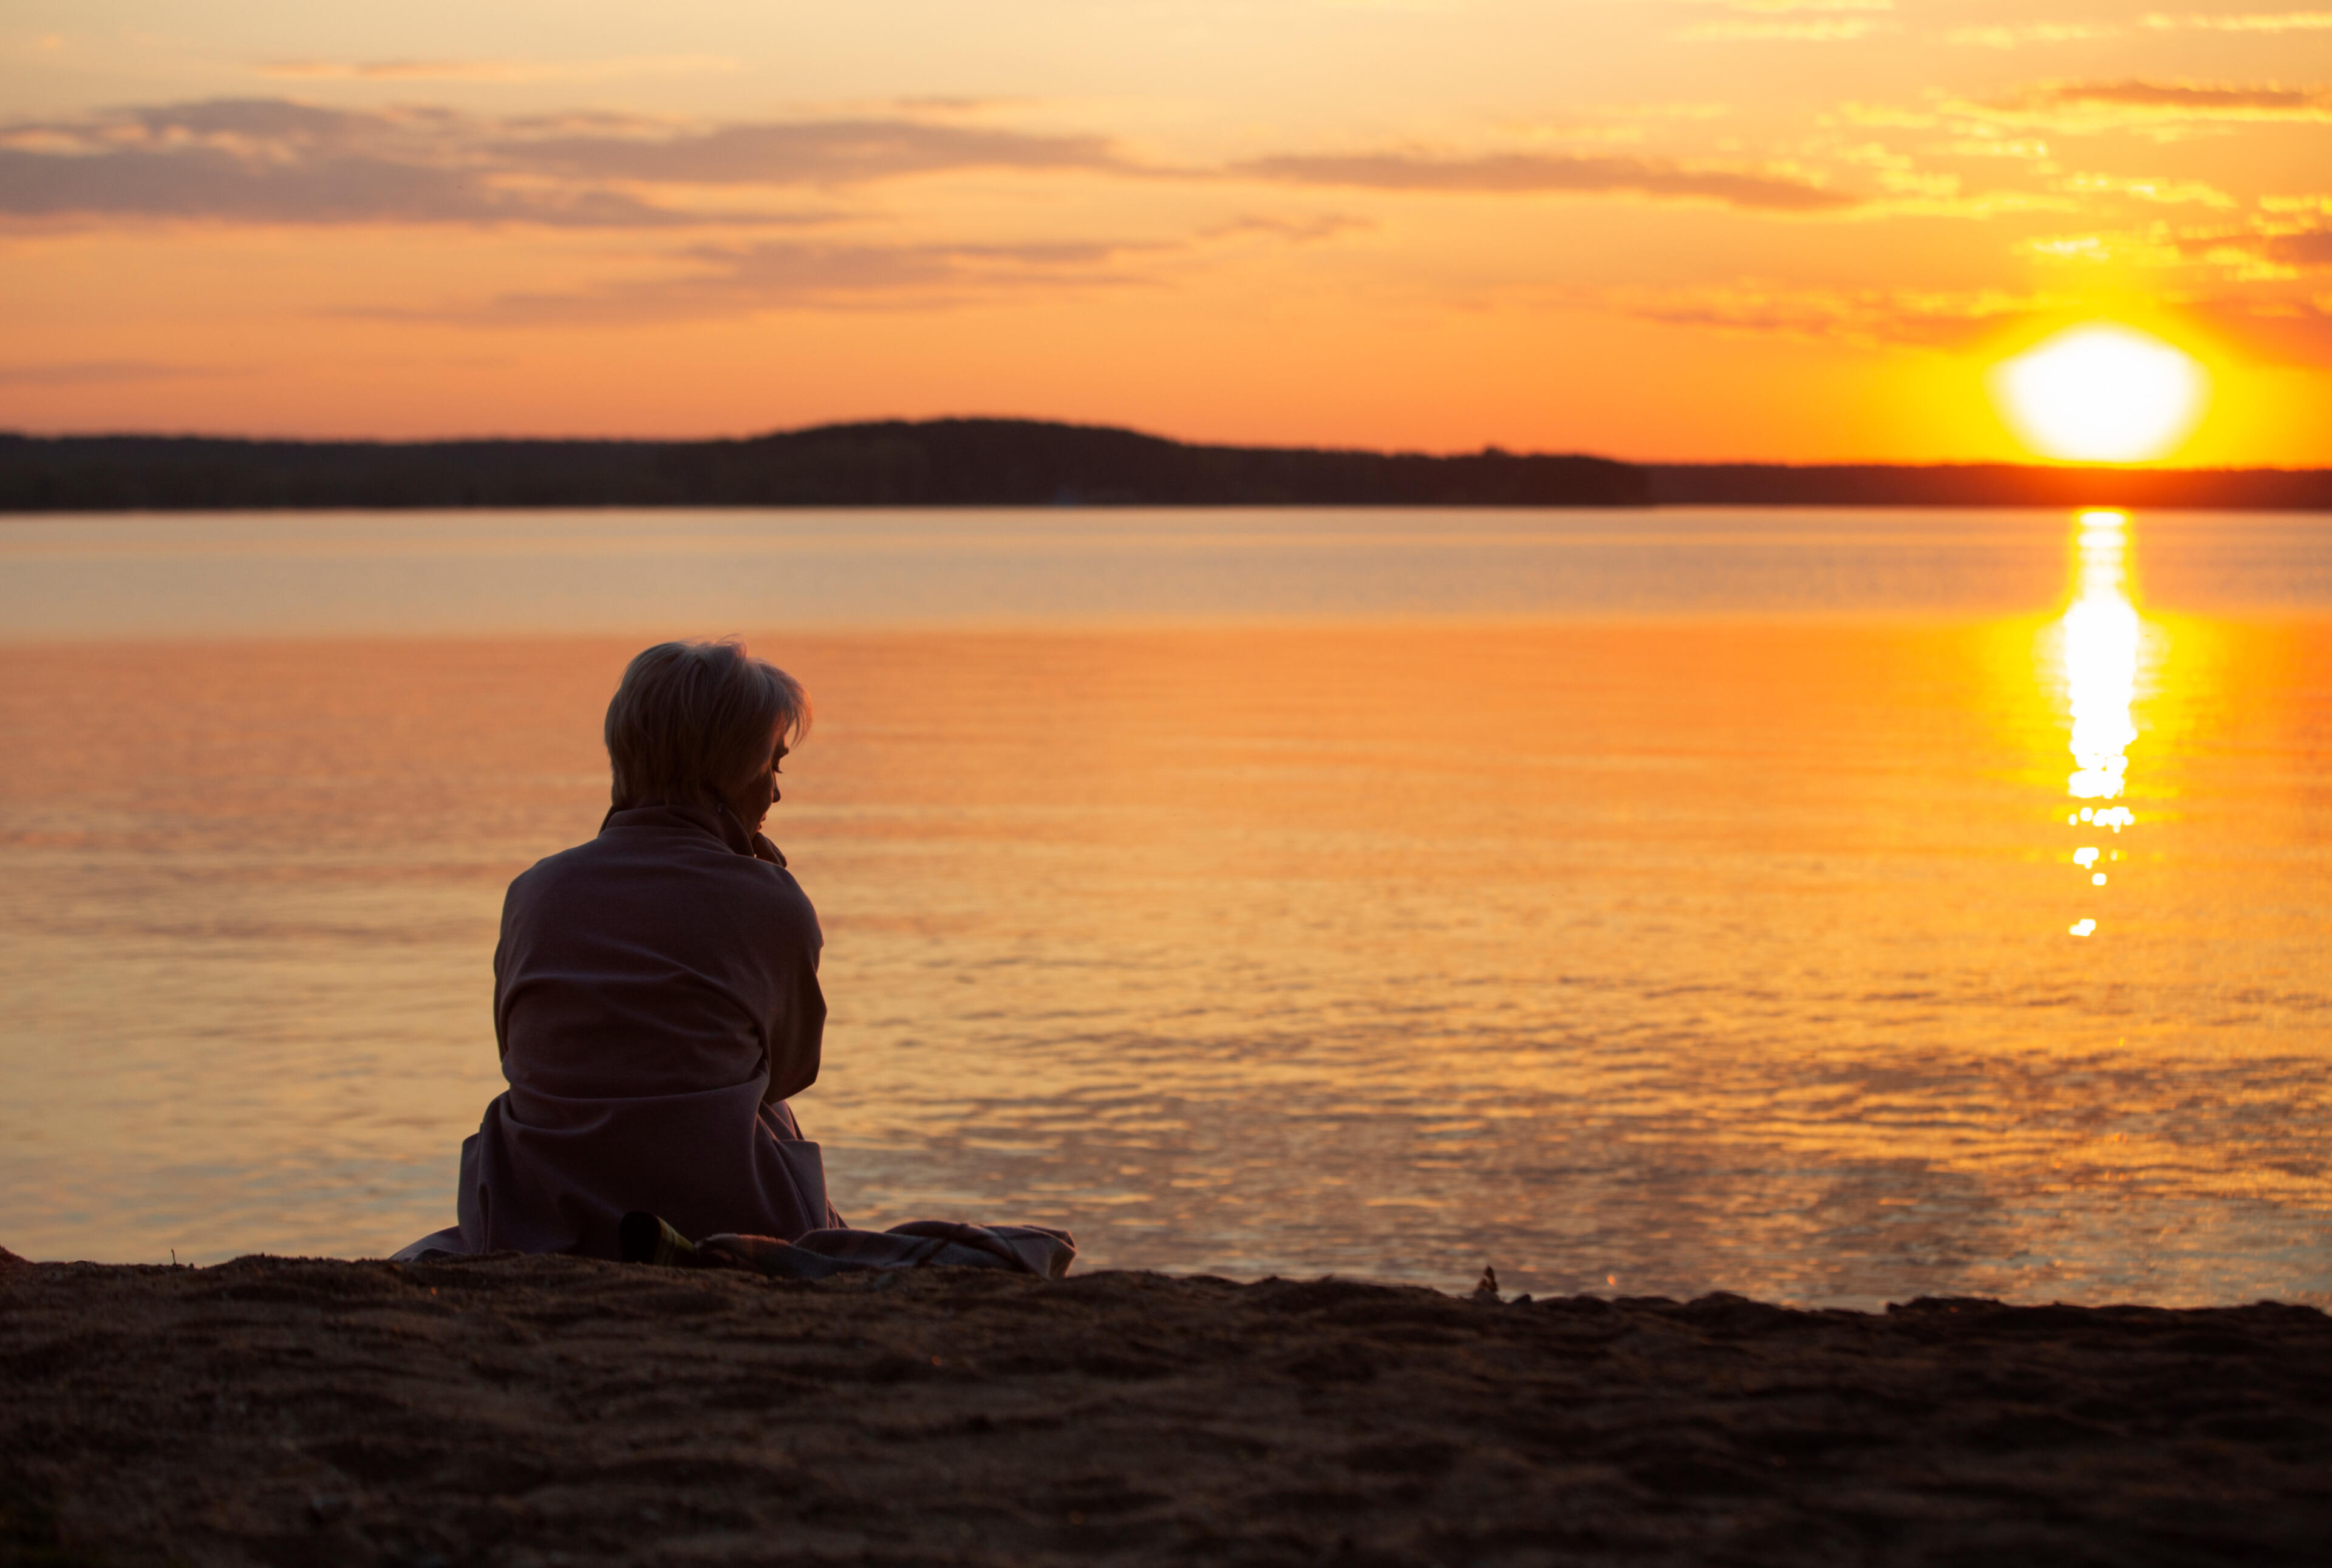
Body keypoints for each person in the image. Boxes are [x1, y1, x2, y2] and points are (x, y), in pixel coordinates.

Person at [394, 639, 837, 1261]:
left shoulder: (535, 890)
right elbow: (792, 1070)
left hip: (538, 1208)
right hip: (718, 1206)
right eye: (773, 766)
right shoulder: (772, 901)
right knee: (768, 1109)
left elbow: (518, 1055)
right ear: (730, 768)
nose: (776, 795)